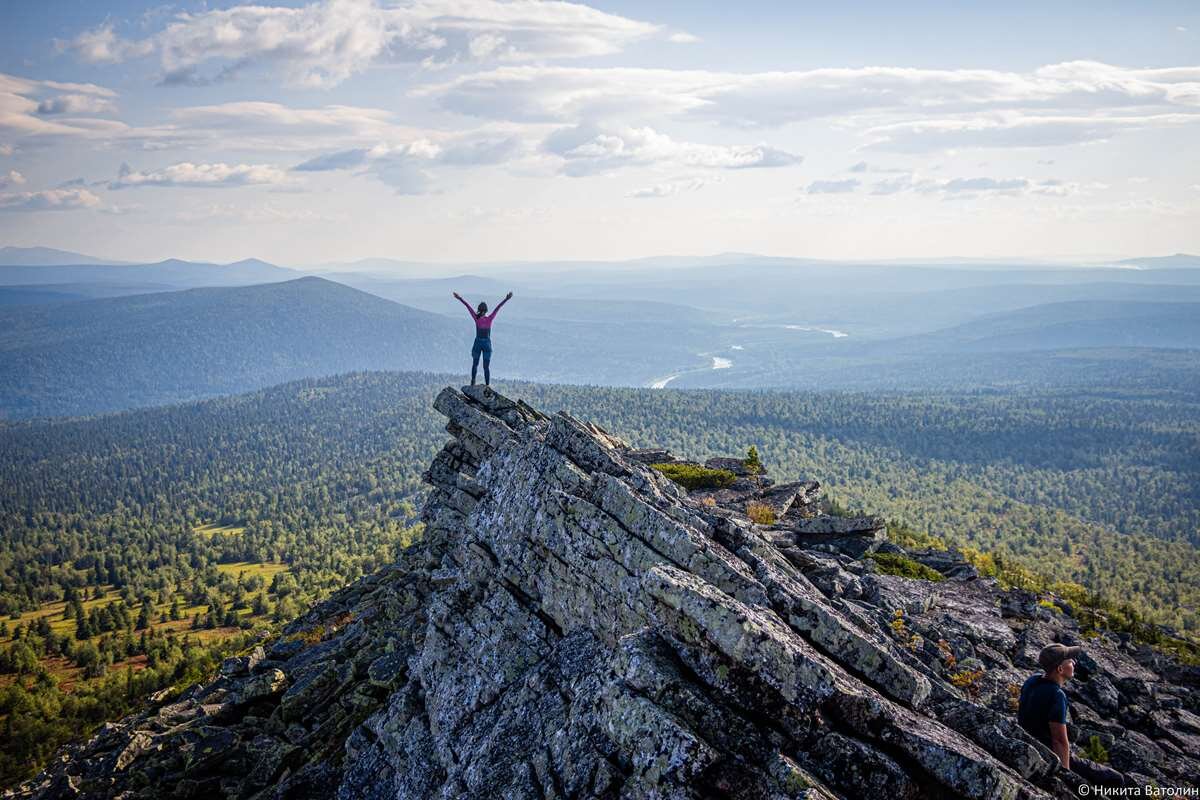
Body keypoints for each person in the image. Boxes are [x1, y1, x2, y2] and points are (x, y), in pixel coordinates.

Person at [1017, 643, 1135, 788]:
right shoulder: (1056, 695)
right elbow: (1059, 741)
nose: (1074, 662)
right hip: (1049, 753)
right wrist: (1065, 777)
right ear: (1060, 669)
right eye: (1069, 660)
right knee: (1116, 779)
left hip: (1027, 742)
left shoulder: (1032, 680)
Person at [453, 290, 512, 387]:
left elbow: (467, 306)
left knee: (475, 364)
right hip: (487, 345)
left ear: (479, 310)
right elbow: (498, 307)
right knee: (486, 367)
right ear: (486, 310)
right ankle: (487, 386)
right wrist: (506, 299)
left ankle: (473, 381)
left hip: (478, 343)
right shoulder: (490, 319)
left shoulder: (476, 318)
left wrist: (459, 298)